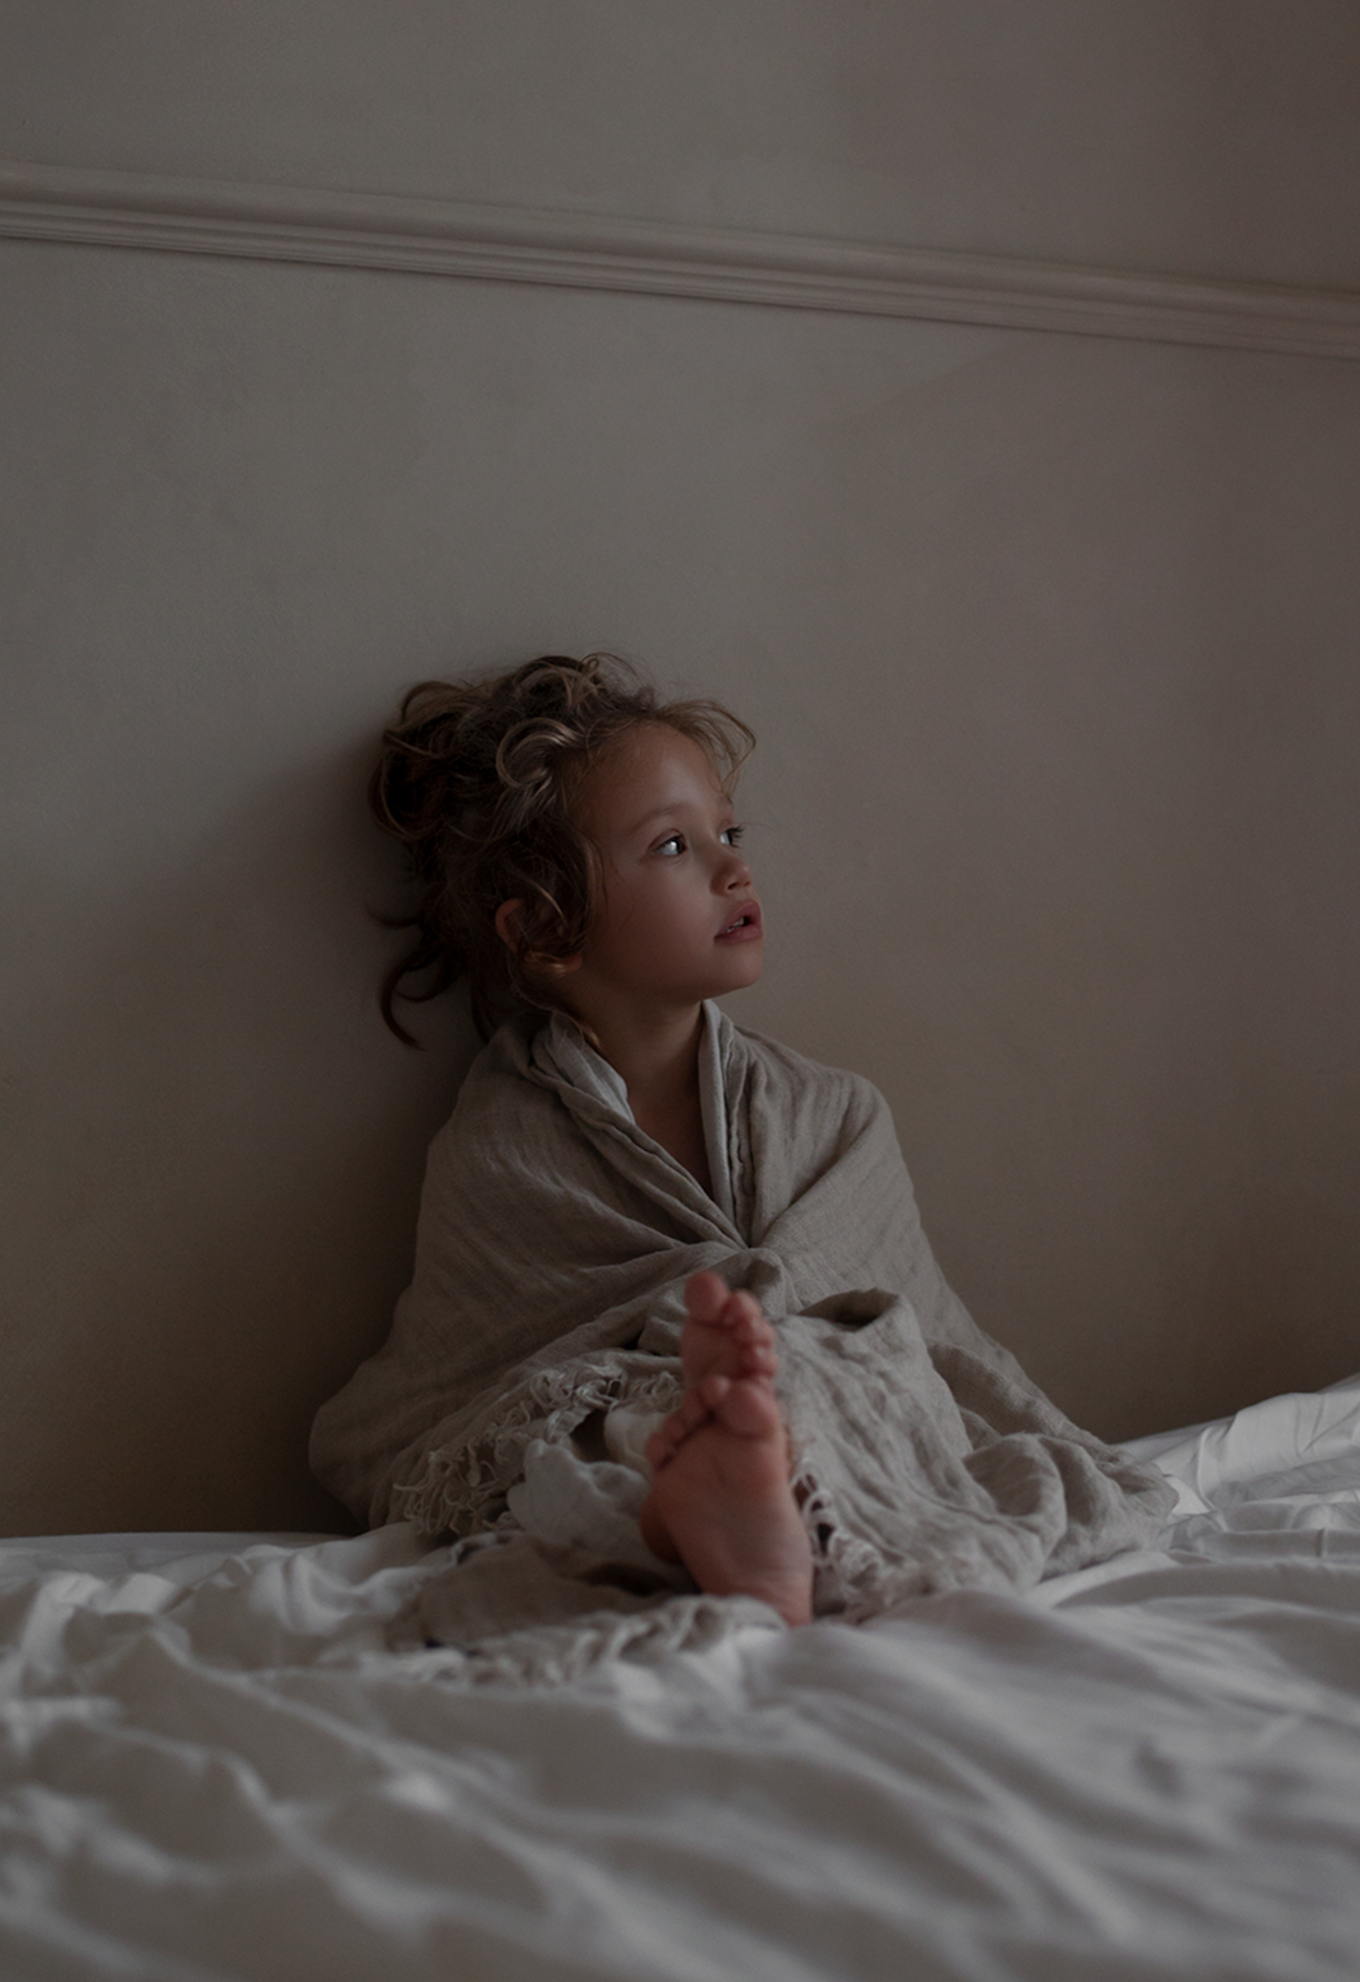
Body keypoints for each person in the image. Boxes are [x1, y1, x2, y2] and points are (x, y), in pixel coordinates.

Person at [311, 655, 1172, 1635]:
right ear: (548, 929)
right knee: (568, 1456)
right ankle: (702, 1500)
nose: (734, 868)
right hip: (643, 1415)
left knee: (830, 1374)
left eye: (729, 832)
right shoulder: (500, 1146)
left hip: (820, 1397)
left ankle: (754, 1492)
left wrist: (759, 1352)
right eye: (674, 845)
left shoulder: (835, 1114)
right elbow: (478, 1382)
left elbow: (914, 1339)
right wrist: (685, 1368)